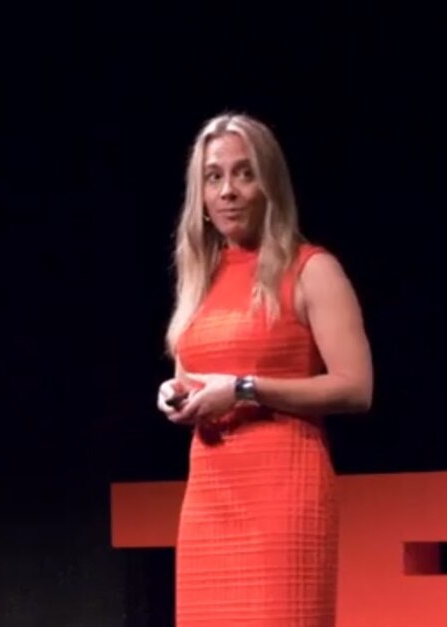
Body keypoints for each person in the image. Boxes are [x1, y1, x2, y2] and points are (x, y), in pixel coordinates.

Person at [156, 112, 374, 626]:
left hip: (283, 496)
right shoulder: (200, 279)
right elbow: (195, 372)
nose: (228, 191)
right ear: (200, 196)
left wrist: (246, 390)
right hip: (208, 501)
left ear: (270, 184)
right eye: (214, 177)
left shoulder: (312, 269)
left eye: (244, 173)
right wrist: (175, 393)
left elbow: (356, 388)